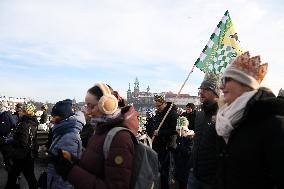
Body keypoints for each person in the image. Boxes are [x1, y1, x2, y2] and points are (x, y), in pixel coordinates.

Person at [215, 51, 284, 189]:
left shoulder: (275, 125)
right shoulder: (230, 120)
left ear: (245, 84)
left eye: (227, 80)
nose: (221, 87)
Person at [50, 82, 139, 189]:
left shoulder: (119, 139)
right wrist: (71, 160)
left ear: (106, 105)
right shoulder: (100, 131)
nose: (87, 112)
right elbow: (93, 169)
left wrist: (70, 171)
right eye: (86, 105)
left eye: (90, 106)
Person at [188, 73, 220, 189]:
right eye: (200, 89)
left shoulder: (223, 115)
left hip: (212, 180)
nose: (201, 92)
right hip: (194, 174)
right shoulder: (200, 115)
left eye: (205, 89)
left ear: (215, 93)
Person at [47, 99, 85, 189]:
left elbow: (67, 171)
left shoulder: (69, 136)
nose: (53, 120)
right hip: (55, 179)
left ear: (63, 118)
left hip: (59, 183)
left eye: (55, 118)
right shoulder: (63, 131)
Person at [5, 103, 38, 189]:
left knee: (14, 175)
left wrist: (11, 141)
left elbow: (23, 142)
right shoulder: (33, 122)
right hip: (28, 154)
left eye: (22, 110)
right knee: (29, 176)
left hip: (21, 155)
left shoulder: (24, 123)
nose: (20, 112)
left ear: (26, 112)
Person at [152, 94, 178, 189]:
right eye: (156, 106)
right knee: (157, 169)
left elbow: (173, 130)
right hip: (157, 145)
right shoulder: (159, 113)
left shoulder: (172, 114)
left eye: (159, 106)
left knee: (165, 171)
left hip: (166, 146)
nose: (157, 108)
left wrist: (160, 133)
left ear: (164, 103)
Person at [174, 117, 193, 189]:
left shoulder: (190, 137)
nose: (178, 131)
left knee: (184, 185)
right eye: (177, 130)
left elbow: (188, 152)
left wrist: (179, 144)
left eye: (179, 129)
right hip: (179, 166)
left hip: (186, 167)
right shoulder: (179, 137)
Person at [0, 101, 17, 171]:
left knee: (7, 159)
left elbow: (13, 126)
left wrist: (8, 135)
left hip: (5, 139)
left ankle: (13, 176)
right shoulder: (7, 114)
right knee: (7, 158)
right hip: (5, 139)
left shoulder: (6, 114)